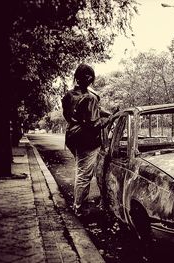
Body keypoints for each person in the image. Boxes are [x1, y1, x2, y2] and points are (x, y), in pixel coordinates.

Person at [62, 63, 111, 216]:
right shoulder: (90, 97)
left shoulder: (68, 95)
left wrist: (104, 113)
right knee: (84, 174)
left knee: (82, 170)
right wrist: (108, 120)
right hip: (88, 140)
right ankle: (79, 207)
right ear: (90, 79)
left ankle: (81, 204)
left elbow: (71, 116)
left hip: (72, 136)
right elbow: (93, 122)